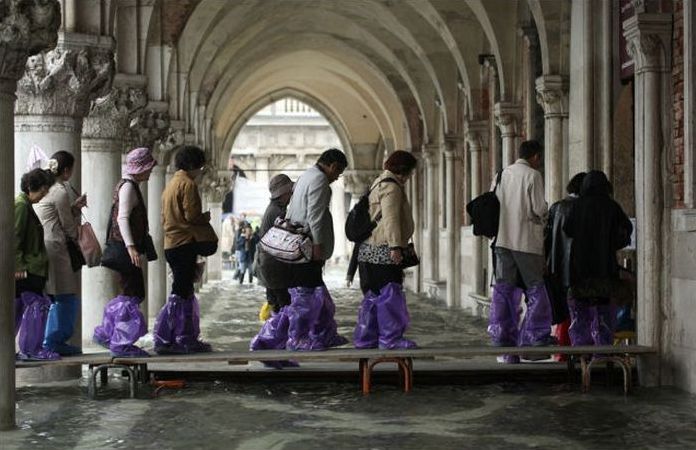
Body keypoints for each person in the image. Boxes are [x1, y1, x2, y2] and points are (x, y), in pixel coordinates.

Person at [489, 140, 554, 364]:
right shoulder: (533, 175)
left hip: (502, 241)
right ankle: (535, 337)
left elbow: (493, 204)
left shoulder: (501, 175)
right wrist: (546, 210)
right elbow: (539, 208)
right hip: (526, 242)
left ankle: (501, 336)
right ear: (535, 157)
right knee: (536, 289)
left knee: (504, 291)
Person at [153, 145, 218, 354]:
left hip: (172, 243)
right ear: (192, 165)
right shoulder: (188, 184)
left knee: (184, 291)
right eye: (200, 167)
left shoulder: (171, 183)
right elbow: (191, 216)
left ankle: (182, 337)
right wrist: (204, 218)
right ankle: (170, 340)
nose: (201, 171)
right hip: (184, 243)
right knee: (180, 292)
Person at [283, 149, 349, 350]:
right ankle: (298, 338)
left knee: (316, 295)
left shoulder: (307, 176)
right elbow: (315, 217)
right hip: (307, 247)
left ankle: (324, 334)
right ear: (332, 166)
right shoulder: (319, 180)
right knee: (307, 295)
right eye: (338, 173)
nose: (336, 178)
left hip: (298, 244)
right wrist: (318, 247)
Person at [94, 147, 157, 357]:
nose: (150, 172)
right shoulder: (129, 187)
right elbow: (122, 218)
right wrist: (131, 247)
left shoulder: (129, 184)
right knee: (132, 293)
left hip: (125, 247)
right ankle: (118, 341)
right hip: (125, 248)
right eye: (148, 168)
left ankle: (111, 335)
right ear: (140, 168)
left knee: (132, 292)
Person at [353, 150, 418, 349]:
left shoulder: (377, 183)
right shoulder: (392, 188)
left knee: (373, 296)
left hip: (367, 251)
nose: (410, 177)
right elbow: (390, 219)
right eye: (410, 173)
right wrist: (396, 247)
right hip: (383, 250)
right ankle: (391, 339)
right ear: (404, 171)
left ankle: (366, 338)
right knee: (390, 294)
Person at [563, 170, 633, 347]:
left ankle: (581, 353)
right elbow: (627, 228)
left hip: (580, 267)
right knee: (603, 311)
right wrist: (612, 243)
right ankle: (602, 352)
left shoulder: (577, 206)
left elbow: (567, 229)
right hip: (605, 266)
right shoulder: (611, 206)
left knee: (581, 311)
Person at [34, 151, 87, 355]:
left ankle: (47, 340)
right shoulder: (59, 191)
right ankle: (54, 341)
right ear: (66, 170)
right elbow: (69, 228)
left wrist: (73, 209)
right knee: (65, 296)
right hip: (56, 248)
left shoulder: (46, 189)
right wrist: (81, 236)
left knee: (53, 295)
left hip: (45, 247)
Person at [14, 168, 59, 360]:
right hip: (28, 269)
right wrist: (18, 266)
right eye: (42, 191)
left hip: (32, 267)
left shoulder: (25, 205)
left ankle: (27, 349)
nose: (43, 196)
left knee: (26, 308)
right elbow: (14, 237)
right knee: (34, 308)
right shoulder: (21, 206)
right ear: (31, 187)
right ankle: (31, 349)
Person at [544, 172, 586, 359]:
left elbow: (546, 239)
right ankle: (577, 354)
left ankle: (561, 354)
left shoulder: (556, 207)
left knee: (563, 312)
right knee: (578, 312)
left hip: (556, 269)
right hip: (578, 269)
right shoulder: (584, 208)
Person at [256, 174, 294, 312]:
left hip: (269, 265)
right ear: (283, 193)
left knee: (276, 305)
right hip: (273, 266)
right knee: (283, 305)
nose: (291, 195)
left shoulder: (274, 208)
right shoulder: (277, 212)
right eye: (290, 192)